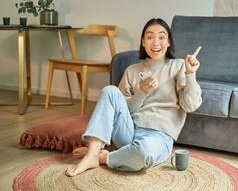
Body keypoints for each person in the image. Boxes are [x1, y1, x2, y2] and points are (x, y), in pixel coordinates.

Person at [65, 18, 202, 177]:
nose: (155, 42)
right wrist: (141, 93)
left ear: (169, 42)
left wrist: (190, 74)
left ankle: (103, 157)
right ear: (143, 42)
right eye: (150, 37)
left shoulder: (179, 66)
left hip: (158, 137)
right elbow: (123, 110)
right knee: (110, 91)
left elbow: (190, 105)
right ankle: (92, 153)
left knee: (142, 152)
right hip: (128, 131)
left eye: (161, 37)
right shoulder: (132, 70)